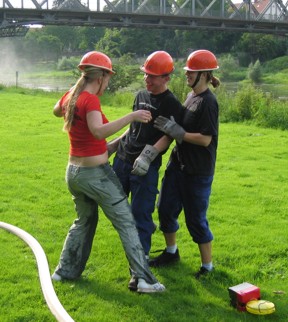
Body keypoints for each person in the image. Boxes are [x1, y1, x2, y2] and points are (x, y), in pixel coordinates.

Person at [51, 51, 165, 293]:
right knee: (126, 221)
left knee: (84, 221)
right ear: (101, 76)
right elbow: (98, 131)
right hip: (95, 175)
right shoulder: (90, 99)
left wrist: (77, 88)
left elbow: (56, 111)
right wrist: (132, 116)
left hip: (74, 173)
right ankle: (144, 280)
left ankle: (64, 272)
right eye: (108, 77)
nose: (109, 82)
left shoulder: (74, 95)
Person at [108, 51, 184, 290]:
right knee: (118, 213)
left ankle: (138, 273)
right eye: (146, 75)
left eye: (152, 77)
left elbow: (169, 136)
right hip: (121, 162)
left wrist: (148, 156)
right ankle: (135, 262)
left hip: (144, 169)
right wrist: (113, 145)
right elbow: (132, 129)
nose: (147, 81)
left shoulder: (172, 104)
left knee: (141, 216)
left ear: (167, 77)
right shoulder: (141, 95)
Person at [149, 49, 220, 279]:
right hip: (177, 166)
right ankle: (171, 252)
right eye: (187, 70)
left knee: (196, 220)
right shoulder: (191, 97)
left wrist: (179, 133)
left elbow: (206, 139)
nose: (187, 74)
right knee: (165, 210)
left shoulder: (208, 102)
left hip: (197, 172)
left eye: (192, 72)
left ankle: (207, 267)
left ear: (205, 75)